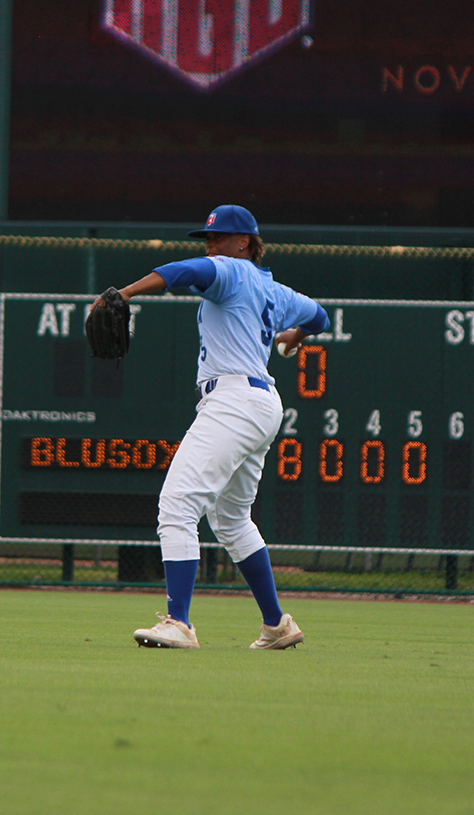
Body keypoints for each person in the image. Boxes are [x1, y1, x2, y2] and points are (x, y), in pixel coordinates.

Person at [94, 205, 328, 650]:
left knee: (177, 504)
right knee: (232, 518)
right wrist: (293, 337)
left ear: (244, 243)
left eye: (217, 237)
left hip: (234, 402)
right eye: (207, 237)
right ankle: (277, 624)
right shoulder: (274, 290)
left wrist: (124, 294)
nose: (209, 244)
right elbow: (320, 317)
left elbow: (182, 271)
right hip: (263, 405)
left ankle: (178, 622)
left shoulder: (233, 271)